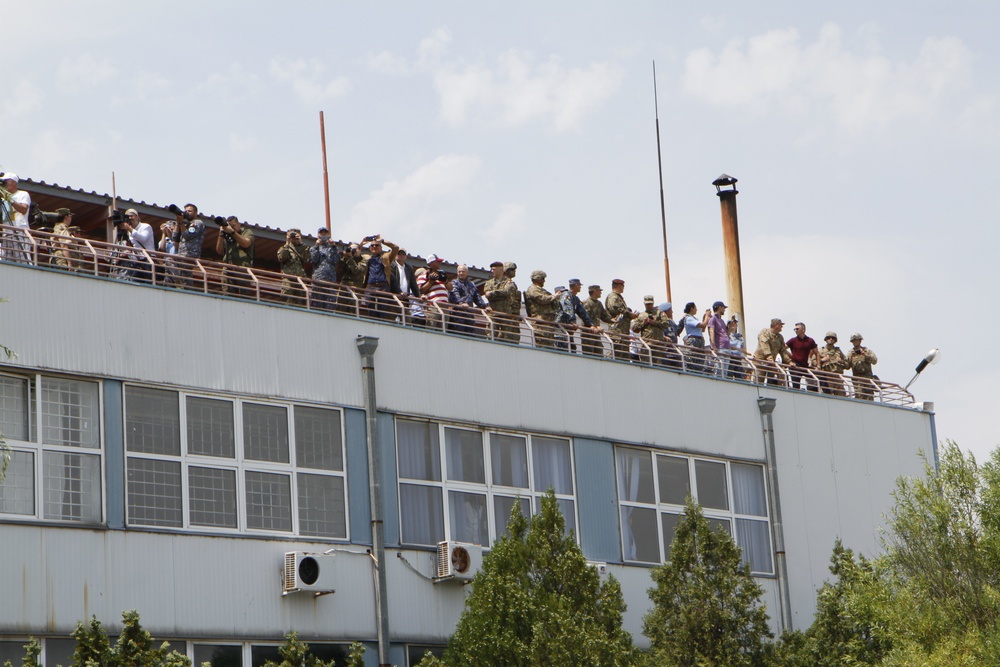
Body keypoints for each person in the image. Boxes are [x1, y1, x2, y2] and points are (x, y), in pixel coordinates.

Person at [359, 235, 399, 319]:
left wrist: (383, 241)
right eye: (372, 245)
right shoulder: (366, 258)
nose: (374, 247)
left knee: (383, 310)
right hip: (370, 287)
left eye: (376, 245)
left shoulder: (386, 257)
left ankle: (382, 324)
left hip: (383, 287)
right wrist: (362, 242)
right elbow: (356, 252)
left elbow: (395, 248)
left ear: (381, 248)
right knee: (370, 309)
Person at [215, 215, 255, 296]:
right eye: (229, 225)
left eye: (233, 225)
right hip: (228, 268)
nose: (231, 227)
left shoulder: (246, 232)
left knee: (243, 295)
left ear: (239, 224)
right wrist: (221, 234)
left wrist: (232, 232)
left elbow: (245, 243)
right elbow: (219, 251)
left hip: (242, 268)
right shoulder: (226, 235)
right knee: (227, 294)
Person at [483, 261, 521, 343]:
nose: (491, 271)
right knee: (491, 336)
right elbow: (487, 295)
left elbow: (506, 292)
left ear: (500, 269)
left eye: (493, 269)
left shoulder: (509, 282)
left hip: (505, 315)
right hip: (493, 314)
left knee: (507, 338)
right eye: (491, 269)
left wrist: (493, 293)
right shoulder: (489, 283)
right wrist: (497, 294)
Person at [555, 279, 596, 353]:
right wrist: (572, 321)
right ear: (576, 285)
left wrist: (590, 325)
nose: (580, 287)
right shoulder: (566, 295)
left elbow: (583, 313)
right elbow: (567, 309)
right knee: (561, 349)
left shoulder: (575, 299)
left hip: (568, 330)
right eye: (579, 285)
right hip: (560, 328)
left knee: (572, 349)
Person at [170, 203, 206, 287]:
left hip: (190, 255)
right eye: (186, 211)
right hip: (182, 255)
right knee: (185, 275)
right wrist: (178, 222)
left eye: (190, 211)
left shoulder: (197, 223)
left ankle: (179, 284)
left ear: (195, 213)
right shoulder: (186, 225)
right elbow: (174, 238)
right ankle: (183, 287)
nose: (187, 213)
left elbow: (188, 236)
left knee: (170, 260)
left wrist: (181, 222)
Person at [449, 263, 489, 336]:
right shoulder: (454, 283)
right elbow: (455, 295)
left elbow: (477, 298)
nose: (461, 273)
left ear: (467, 272)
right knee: (458, 335)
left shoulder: (472, 284)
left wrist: (485, 307)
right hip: (458, 314)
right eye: (459, 271)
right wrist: (461, 303)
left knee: (470, 334)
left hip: (469, 314)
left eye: (463, 271)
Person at [524, 270, 561, 349]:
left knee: (550, 346)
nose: (544, 281)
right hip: (540, 323)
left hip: (547, 323)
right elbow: (541, 299)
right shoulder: (533, 289)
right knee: (542, 345)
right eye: (543, 278)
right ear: (538, 279)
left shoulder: (542, 290)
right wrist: (554, 297)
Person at [1, 173, 32, 263]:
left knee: (23, 260)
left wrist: (9, 199)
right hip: (6, 234)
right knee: (6, 262)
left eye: (6, 181)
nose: (4, 184)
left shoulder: (22, 194)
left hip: (19, 232)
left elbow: (23, 209)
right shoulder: (2, 199)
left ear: (14, 182)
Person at [631, 296, 671, 365]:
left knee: (659, 365)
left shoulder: (659, 313)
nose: (648, 306)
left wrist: (654, 322)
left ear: (653, 303)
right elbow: (634, 328)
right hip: (646, 344)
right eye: (647, 304)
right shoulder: (641, 315)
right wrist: (643, 323)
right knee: (646, 365)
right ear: (644, 304)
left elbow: (666, 324)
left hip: (658, 344)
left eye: (650, 304)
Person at [605, 279, 638, 361]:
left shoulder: (618, 297)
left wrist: (629, 316)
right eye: (623, 286)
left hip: (623, 331)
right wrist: (629, 314)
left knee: (624, 355)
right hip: (617, 331)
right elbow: (614, 308)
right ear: (619, 286)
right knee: (618, 353)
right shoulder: (613, 297)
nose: (623, 287)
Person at [308, 227, 340, 310]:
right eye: (321, 233)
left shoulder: (333, 248)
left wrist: (333, 246)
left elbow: (335, 260)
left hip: (330, 281)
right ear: (318, 235)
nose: (323, 234)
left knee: (330, 305)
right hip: (317, 280)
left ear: (328, 235)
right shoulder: (314, 248)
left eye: (325, 233)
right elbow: (313, 259)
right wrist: (316, 246)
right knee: (316, 305)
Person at [754, 318, 792, 386]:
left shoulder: (780, 337)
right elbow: (764, 345)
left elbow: (783, 350)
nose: (782, 326)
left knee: (776, 378)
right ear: (776, 325)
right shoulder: (765, 332)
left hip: (772, 363)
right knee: (759, 380)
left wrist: (789, 361)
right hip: (760, 361)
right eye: (781, 325)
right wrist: (769, 357)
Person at [389, 247, 422, 325]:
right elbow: (392, 281)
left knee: (407, 321)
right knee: (392, 320)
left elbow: (413, 284)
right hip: (394, 298)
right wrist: (400, 292)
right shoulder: (391, 265)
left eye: (403, 254)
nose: (401, 255)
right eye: (399, 253)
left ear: (406, 256)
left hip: (405, 299)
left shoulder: (409, 268)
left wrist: (419, 297)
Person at [277, 228, 309, 306]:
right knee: (287, 299)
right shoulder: (284, 248)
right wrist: (287, 243)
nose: (294, 236)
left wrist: (301, 243)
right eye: (292, 234)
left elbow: (307, 258)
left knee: (301, 302)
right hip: (288, 278)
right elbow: (281, 258)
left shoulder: (303, 248)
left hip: (300, 279)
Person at [418, 254, 450, 330]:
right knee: (431, 327)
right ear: (431, 262)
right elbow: (421, 290)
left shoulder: (441, 274)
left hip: (444, 307)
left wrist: (445, 280)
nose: (439, 263)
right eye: (437, 261)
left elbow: (450, 288)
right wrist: (430, 281)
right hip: (433, 306)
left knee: (443, 331)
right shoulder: (424, 275)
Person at [582, 284, 614, 357]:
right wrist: (594, 326)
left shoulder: (599, 303)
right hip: (588, 334)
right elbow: (586, 318)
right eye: (599, 291)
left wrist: (612, 320)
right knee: (589, 355)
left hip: (597, 334)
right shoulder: (587, 302)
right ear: (595, 291)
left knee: (599, 354)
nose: (601, 292)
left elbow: (604, 316)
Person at [786, 322, 819, 391]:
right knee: (796, 385)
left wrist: (818, 366)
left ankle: (825, 393)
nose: (795, 330)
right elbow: (782, 349)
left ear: (803, 329)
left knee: (819, 376)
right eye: (794, 329)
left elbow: (817, 353)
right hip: (795, 365)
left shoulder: (810, 340)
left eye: (797, 329)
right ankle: (796, 393)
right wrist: (790, 356)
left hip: (805, 365)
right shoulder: (793, 340)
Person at [847, 333, 879, 401]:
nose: (855, 342)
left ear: (860, 340)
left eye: (856, 340)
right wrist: (851, 357)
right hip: (857, 379)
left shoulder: (867, 350)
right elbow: (846, 366)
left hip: (867, 378)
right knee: (859, 396)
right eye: (853, 340)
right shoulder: (850, 353)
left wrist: (865, 355)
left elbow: (874, 361)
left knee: (869, 396)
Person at [680, 302, 710, 372]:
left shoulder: (694, 318)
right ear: (691, 308)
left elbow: (703, 329)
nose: (696, 309)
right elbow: (702, 325)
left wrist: (705, 318)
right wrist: (707, 316)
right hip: (694, 340)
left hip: (699, 340)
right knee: (692, 358)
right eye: (695, 308)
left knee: (700, 359)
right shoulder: (688, 318)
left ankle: (698, 371)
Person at [818, 332, 850, 396]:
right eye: (829, 338)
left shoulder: (838, 351)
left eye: (833, 338)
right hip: (826, 377)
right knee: (827, 396)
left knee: (841, 397)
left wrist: (841, 361)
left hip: (838, 378)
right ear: (826, 339)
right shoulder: (821, 351)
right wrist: (822, 360)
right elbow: (813, 363)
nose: (831, 339)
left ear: (835, 340)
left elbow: (848, 365)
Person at [50, 208, 80, 272]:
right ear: (66, 217)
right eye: (70, 216)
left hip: (59, 258)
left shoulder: (57, 228)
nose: (71, 218)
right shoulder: (62, 228)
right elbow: (64, 245)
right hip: (63, 260)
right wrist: (69, 263)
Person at [706, 301, 731, 377]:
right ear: (719, 307)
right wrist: (714, 346)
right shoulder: (713, 319)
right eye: (723, 307)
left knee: (725, 372)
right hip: (719, 348)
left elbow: (726, 334)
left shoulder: (722, 321)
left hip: (726, 348)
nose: (724, 309)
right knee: (719, 370)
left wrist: (731, 327)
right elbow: (711, 332)